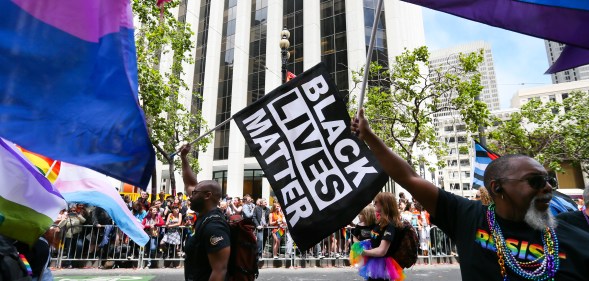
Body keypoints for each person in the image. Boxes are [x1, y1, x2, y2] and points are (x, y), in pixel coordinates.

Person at [352, 108, 589, 280]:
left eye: (548, 180)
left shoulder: (577, 235)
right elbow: (409, 177)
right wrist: (369, 136)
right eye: (535, 181)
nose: (547, 187)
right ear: (497, 188)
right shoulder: (467, 217)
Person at [180, 144, 230, 281]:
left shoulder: (214, 226)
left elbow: (219, 271)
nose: (190, 195)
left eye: (194, 193)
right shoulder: (205, 216)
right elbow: (190, 183)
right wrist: (184, 157)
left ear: (207, 195)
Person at [350, 192, 404, 281]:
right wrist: (368, 241)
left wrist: (363, 252)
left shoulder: (390, 225)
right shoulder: (380, 222)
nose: (374, 203)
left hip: (382, 266)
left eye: (376, 202)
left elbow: (382, 251)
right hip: (375, 263)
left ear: (384, 204)